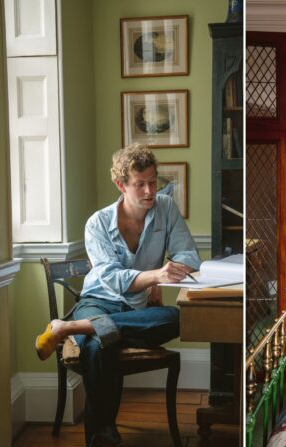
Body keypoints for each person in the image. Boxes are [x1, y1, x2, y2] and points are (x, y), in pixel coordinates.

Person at [35, 143, 201, 447]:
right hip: (97, 302)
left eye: (153, 181)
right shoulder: (97, 223)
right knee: (101, 345)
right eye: (140, 184)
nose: (150, 190)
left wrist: (159, 281)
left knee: (177, 318)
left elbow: (189, 254)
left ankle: (68, 328)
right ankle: (103, 438)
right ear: (120, 184)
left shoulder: (166, 208)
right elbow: (111, 278)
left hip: (135, 310)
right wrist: (155, 276)